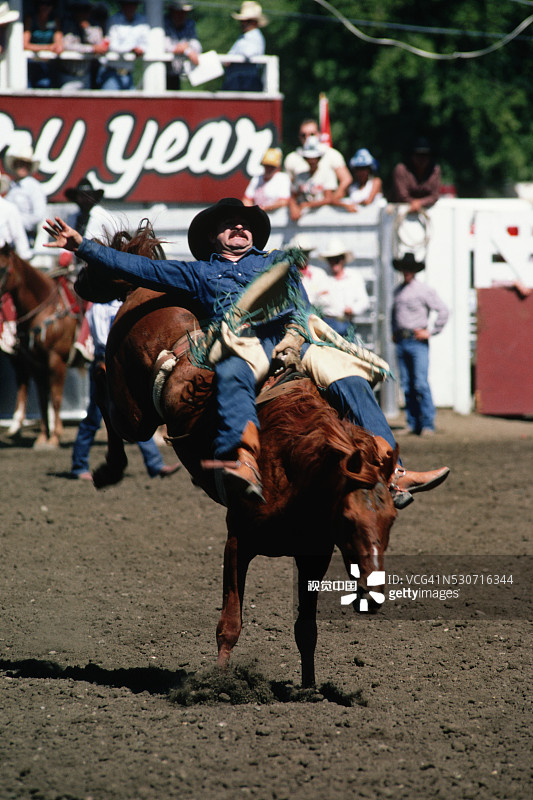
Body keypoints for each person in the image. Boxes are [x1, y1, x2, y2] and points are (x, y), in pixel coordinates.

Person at [44, 197, 449, 507]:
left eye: (245, 224)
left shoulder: (278, 262)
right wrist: (82, 246)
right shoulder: (198, 273)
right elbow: (141, 269)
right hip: (244, 342)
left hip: (294, 340)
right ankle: (246, 461)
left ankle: (393, 470)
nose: (239, 226)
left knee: (350, 376)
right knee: (233, 371)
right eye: (229, 224)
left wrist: (297, 336)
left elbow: (302, 307)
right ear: (213, 237)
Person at [70, 299, 181, 481]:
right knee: (95, 416)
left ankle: (155, 464)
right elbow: (103, 339)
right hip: (105, 363)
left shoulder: (115, 305)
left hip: (118, 363)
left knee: (135, 413)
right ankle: (79, 465)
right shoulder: (99, 307)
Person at [392, 253, 449, 436]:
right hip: (402, 341)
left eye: (409, 269)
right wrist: (394, 332)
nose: (406, 272)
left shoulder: (423, 290)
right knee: (406, 384)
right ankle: (412, 422)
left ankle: (427, 423)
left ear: (414, 271)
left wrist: (430, 332)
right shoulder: (398, 291)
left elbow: (443, 311)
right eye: (404, 269)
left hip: (417, 341)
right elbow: (394, 314)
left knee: (420, 383)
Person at [0, 172, 32, 355]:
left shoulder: (8, 208)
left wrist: (23, 263)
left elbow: (20, 240)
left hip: (3, 261)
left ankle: (11, 331)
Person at [284, 118, 352, 202]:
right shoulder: (292, 158)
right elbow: (289, 186)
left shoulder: (331, 154)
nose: (307, 138)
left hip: (325, 204)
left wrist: (332, 200)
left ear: (319, 134)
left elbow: (346, 179)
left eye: (312, 134)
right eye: (303, 135)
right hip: (302, 205)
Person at [315, 238, 370, 337]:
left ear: (343, 259)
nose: (334, 262)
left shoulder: (354, 277)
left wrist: (352, 309)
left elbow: (364, 301)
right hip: (326, 323)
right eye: (331, 259)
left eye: (337, 259)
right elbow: (315, 301)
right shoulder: (322, 277)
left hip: (346, 322)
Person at [96, 1, 149, 91]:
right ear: (122, 5)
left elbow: (146, 43)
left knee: (130, 100)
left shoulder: (142, 21)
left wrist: (140, 49)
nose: (130, 8)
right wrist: (132, 49)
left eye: (133, 4)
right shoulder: (113, 20)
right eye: (127, 4)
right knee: (110, 99)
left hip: (129, 73)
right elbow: (112, 45)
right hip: (111, 72)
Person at [4, 143, 47, 247]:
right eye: (20, 163)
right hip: (8, 235)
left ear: (30, 167)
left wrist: (16, 222)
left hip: (26, 237)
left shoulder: (34, 187)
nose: (23, 167)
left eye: (26, 164)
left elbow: (39, 215)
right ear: (14, 165)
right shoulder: (11, 186)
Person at [61, 0, 109, 90]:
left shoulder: (94, 26)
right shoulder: (68, 26)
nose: (83, 14)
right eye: (80, 10)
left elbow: (99, 45)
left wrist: (87, 28)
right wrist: (91, 49)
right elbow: (67, 46)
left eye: (86, 10)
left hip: (86, 75)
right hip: (69, 75)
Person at [289, 135, 337, 222]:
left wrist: (307, 205)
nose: (311, 161)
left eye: (314, 158)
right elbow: (293, 196)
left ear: (319, 158)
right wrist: (293, 208)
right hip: (302, 219)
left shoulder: (328, 173)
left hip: (323, 217)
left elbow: (328, 198)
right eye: (309, 158)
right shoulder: (300, 176)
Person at [222, 1, 267, 92]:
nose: (243, 23)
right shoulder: (244, 37)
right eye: (243, 21)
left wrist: (231, 59)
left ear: (255, 22)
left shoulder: (254, 36)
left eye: (248, 21)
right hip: (238, 80)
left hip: (246, 81)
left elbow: (248, 53)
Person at [391, 137, 442, 213]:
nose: (422, 159)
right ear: (411, 156)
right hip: (399, 211)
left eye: (425, 155)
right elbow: (402, 195)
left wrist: (420, 203)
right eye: (418, 155)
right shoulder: (401, 170)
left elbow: (435, 195)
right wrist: (414, 203)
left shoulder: (435, 171)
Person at [23, 0, 64, 88]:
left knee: (45, 84)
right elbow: (24, 45)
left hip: (47, 63)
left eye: (49, 4)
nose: (45, 7)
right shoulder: (30, 19)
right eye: (42, 3)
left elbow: (59, 44)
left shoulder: (54, 20)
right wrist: (47, 47)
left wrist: (57, 46)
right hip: (31, 62)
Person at [163, 1, 201, 90]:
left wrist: (184, 49)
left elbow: (197, 47)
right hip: (162, 72)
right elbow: (165, 47)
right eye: (178, 12)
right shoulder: (162, 23)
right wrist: (187, 50)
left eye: (184, 12)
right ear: (171, 11)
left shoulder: (189, 24)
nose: (181, 15)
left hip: (177, 74)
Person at [242, 148, 291, 213]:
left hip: (276, 217)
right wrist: (250, 211)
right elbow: (247, 199)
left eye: (272, 166)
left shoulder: (283, 178)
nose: (269, 168)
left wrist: (263, 208)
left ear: (277, 167)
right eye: (267, 165)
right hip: (258, 216)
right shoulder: (256, 178)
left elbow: (283, 202)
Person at [288, 233, 329, 308]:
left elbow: (326, 299)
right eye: (300, 254)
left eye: (306, 253)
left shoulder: (319, 274)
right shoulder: (287, 275)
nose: (303, 257)